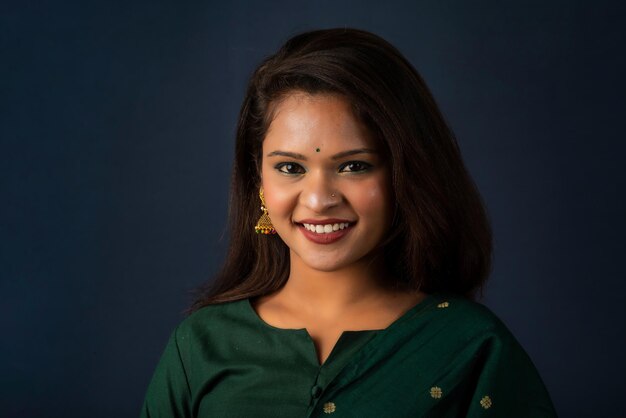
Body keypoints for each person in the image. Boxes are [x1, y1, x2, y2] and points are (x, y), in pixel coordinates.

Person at [140, 28, 557, 417]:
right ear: (258, 181)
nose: (319, 200)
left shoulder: (470, 347)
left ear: (405, 175)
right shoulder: (200, 345)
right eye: (289, 167)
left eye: (354, 166)